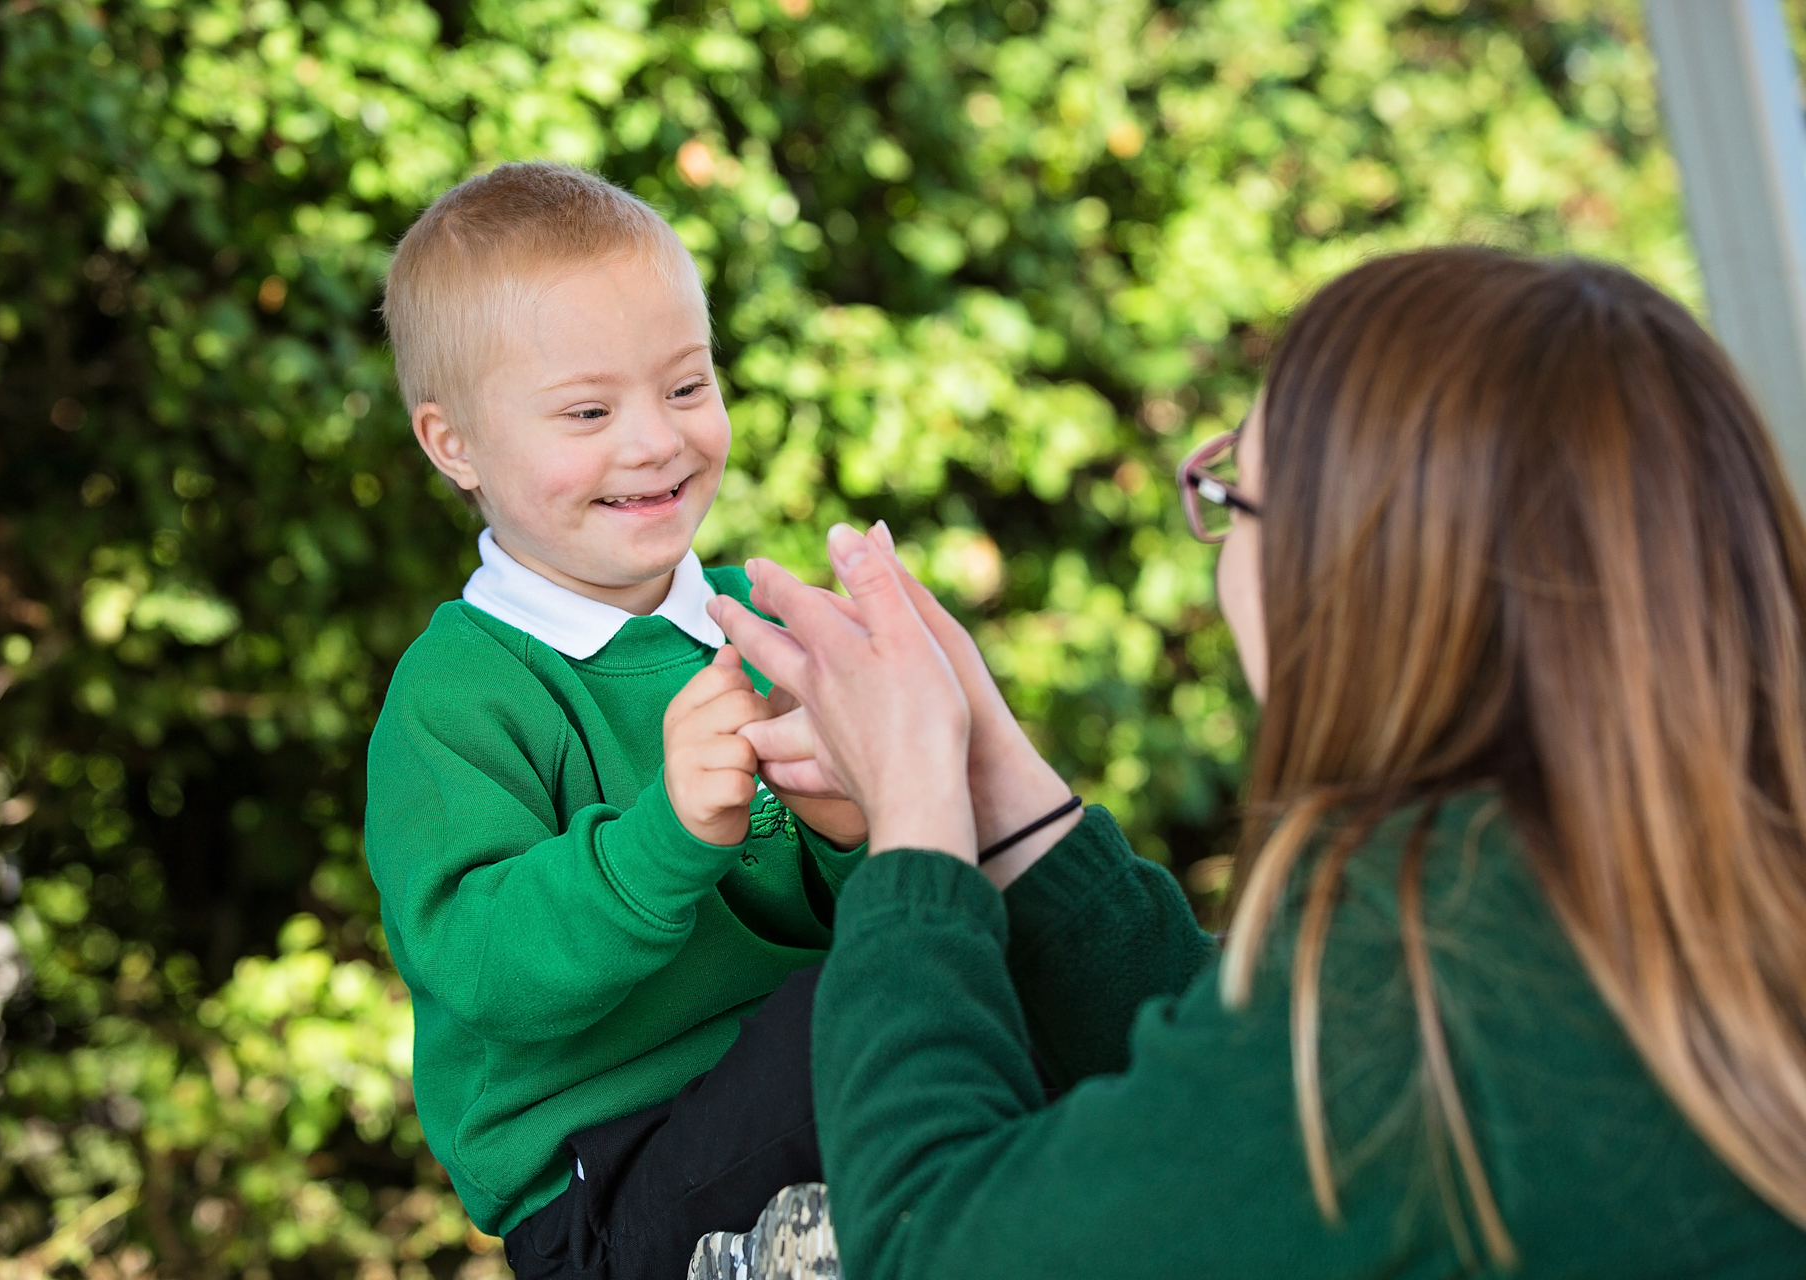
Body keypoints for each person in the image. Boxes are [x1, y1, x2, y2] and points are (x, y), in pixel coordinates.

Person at [713, 248, 1806, 1277]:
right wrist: (993, 789)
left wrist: (914, 819)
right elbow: (1242, 1104)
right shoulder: (1628, 893)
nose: (1220, 531)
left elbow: (941, 1247)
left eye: (1235, 493)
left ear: (1352, 579)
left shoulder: (1429, 992)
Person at [363, 162, 866, 1280]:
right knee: (884, 1007)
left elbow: (860, 909)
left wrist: (847, 828)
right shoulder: (458, 695)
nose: (654, 441)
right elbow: (483, 966)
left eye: (686, 387)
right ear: (454, 443)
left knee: (967, 950)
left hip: (790, 1086)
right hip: (607, 1170)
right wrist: (665, 836)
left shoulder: (755, 624)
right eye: (589, 412)